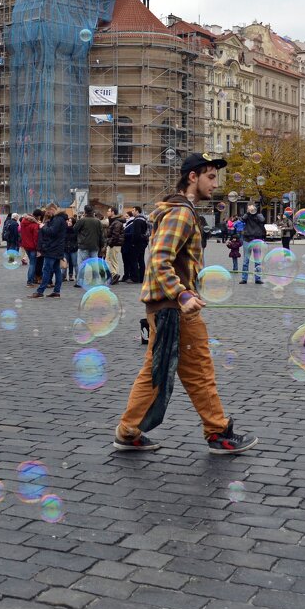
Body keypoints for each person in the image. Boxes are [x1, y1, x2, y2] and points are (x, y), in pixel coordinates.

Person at [114, 153, 258, 455]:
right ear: (192, 177)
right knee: (197, 371)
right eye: (210, 176)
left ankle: (129, 431)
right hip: (174, 308)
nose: (214, 183)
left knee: (158, 371)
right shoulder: (181, 213)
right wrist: (182, 294)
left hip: (168, 307)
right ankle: (218, 432)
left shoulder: (179, 210)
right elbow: (159, 259)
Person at [32, 204, 68, 299]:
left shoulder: (57, 219)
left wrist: (43, 226)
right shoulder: (61, 219)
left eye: (48, 212)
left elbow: (52, 232)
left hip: (52, 248)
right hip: (57, 248)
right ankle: (56, 291)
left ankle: (40, 291)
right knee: (57, 270)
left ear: (52, 209)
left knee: (46, 269)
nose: (47, 214)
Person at [74, 204, 105, 289]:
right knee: (94, 264)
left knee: (82, 264)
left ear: (85, 211)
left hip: (83, 245)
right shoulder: (97, 221)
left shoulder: (82, 220)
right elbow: (101, 234)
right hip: (95, 246)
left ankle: (80, 282)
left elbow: (75, 229)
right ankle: (95, 281)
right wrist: (102, 245)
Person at [239, 204, 266, 285]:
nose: (252, 210)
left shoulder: (259, 215)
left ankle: (258, 278)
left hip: (257, 239)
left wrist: (256, 213)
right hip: (247, 239)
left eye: (253, 209)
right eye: (250, 209)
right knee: (245, 261)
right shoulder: (247, 216)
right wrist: (247, 213)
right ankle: (244, 278)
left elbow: (262, 220)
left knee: (257, 261)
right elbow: (242, 219)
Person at [123, 207, 149, 283]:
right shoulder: (144, 219)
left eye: (133, 210)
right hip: (143, 242)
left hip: (137, 243)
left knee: (134, 260)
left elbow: (136, 234)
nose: (132, 212)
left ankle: (135, 278)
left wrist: (133, 243)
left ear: (137, 211)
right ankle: (142, 277)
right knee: (141, 260)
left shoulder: (137, 221)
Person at [19, 210, 40, 287]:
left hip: (26, 245)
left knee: (32, 263)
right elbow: (36, 238)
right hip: (33, 247)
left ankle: (32, 280)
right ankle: (30, 281)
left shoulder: (23, 223)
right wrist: (38, 249)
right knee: (32, 264)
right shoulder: (34, 225)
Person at [105, 209, 123, 283]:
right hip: (113, 244)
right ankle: (113, 275)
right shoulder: (113, 221)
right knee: (108, 259)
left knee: (114, 260)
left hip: (115, 244)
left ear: (113, 213)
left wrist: (111, 243)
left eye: (108, 211)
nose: (107, 212)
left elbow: (115, 235)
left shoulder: (117, 222)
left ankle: (115, 275)